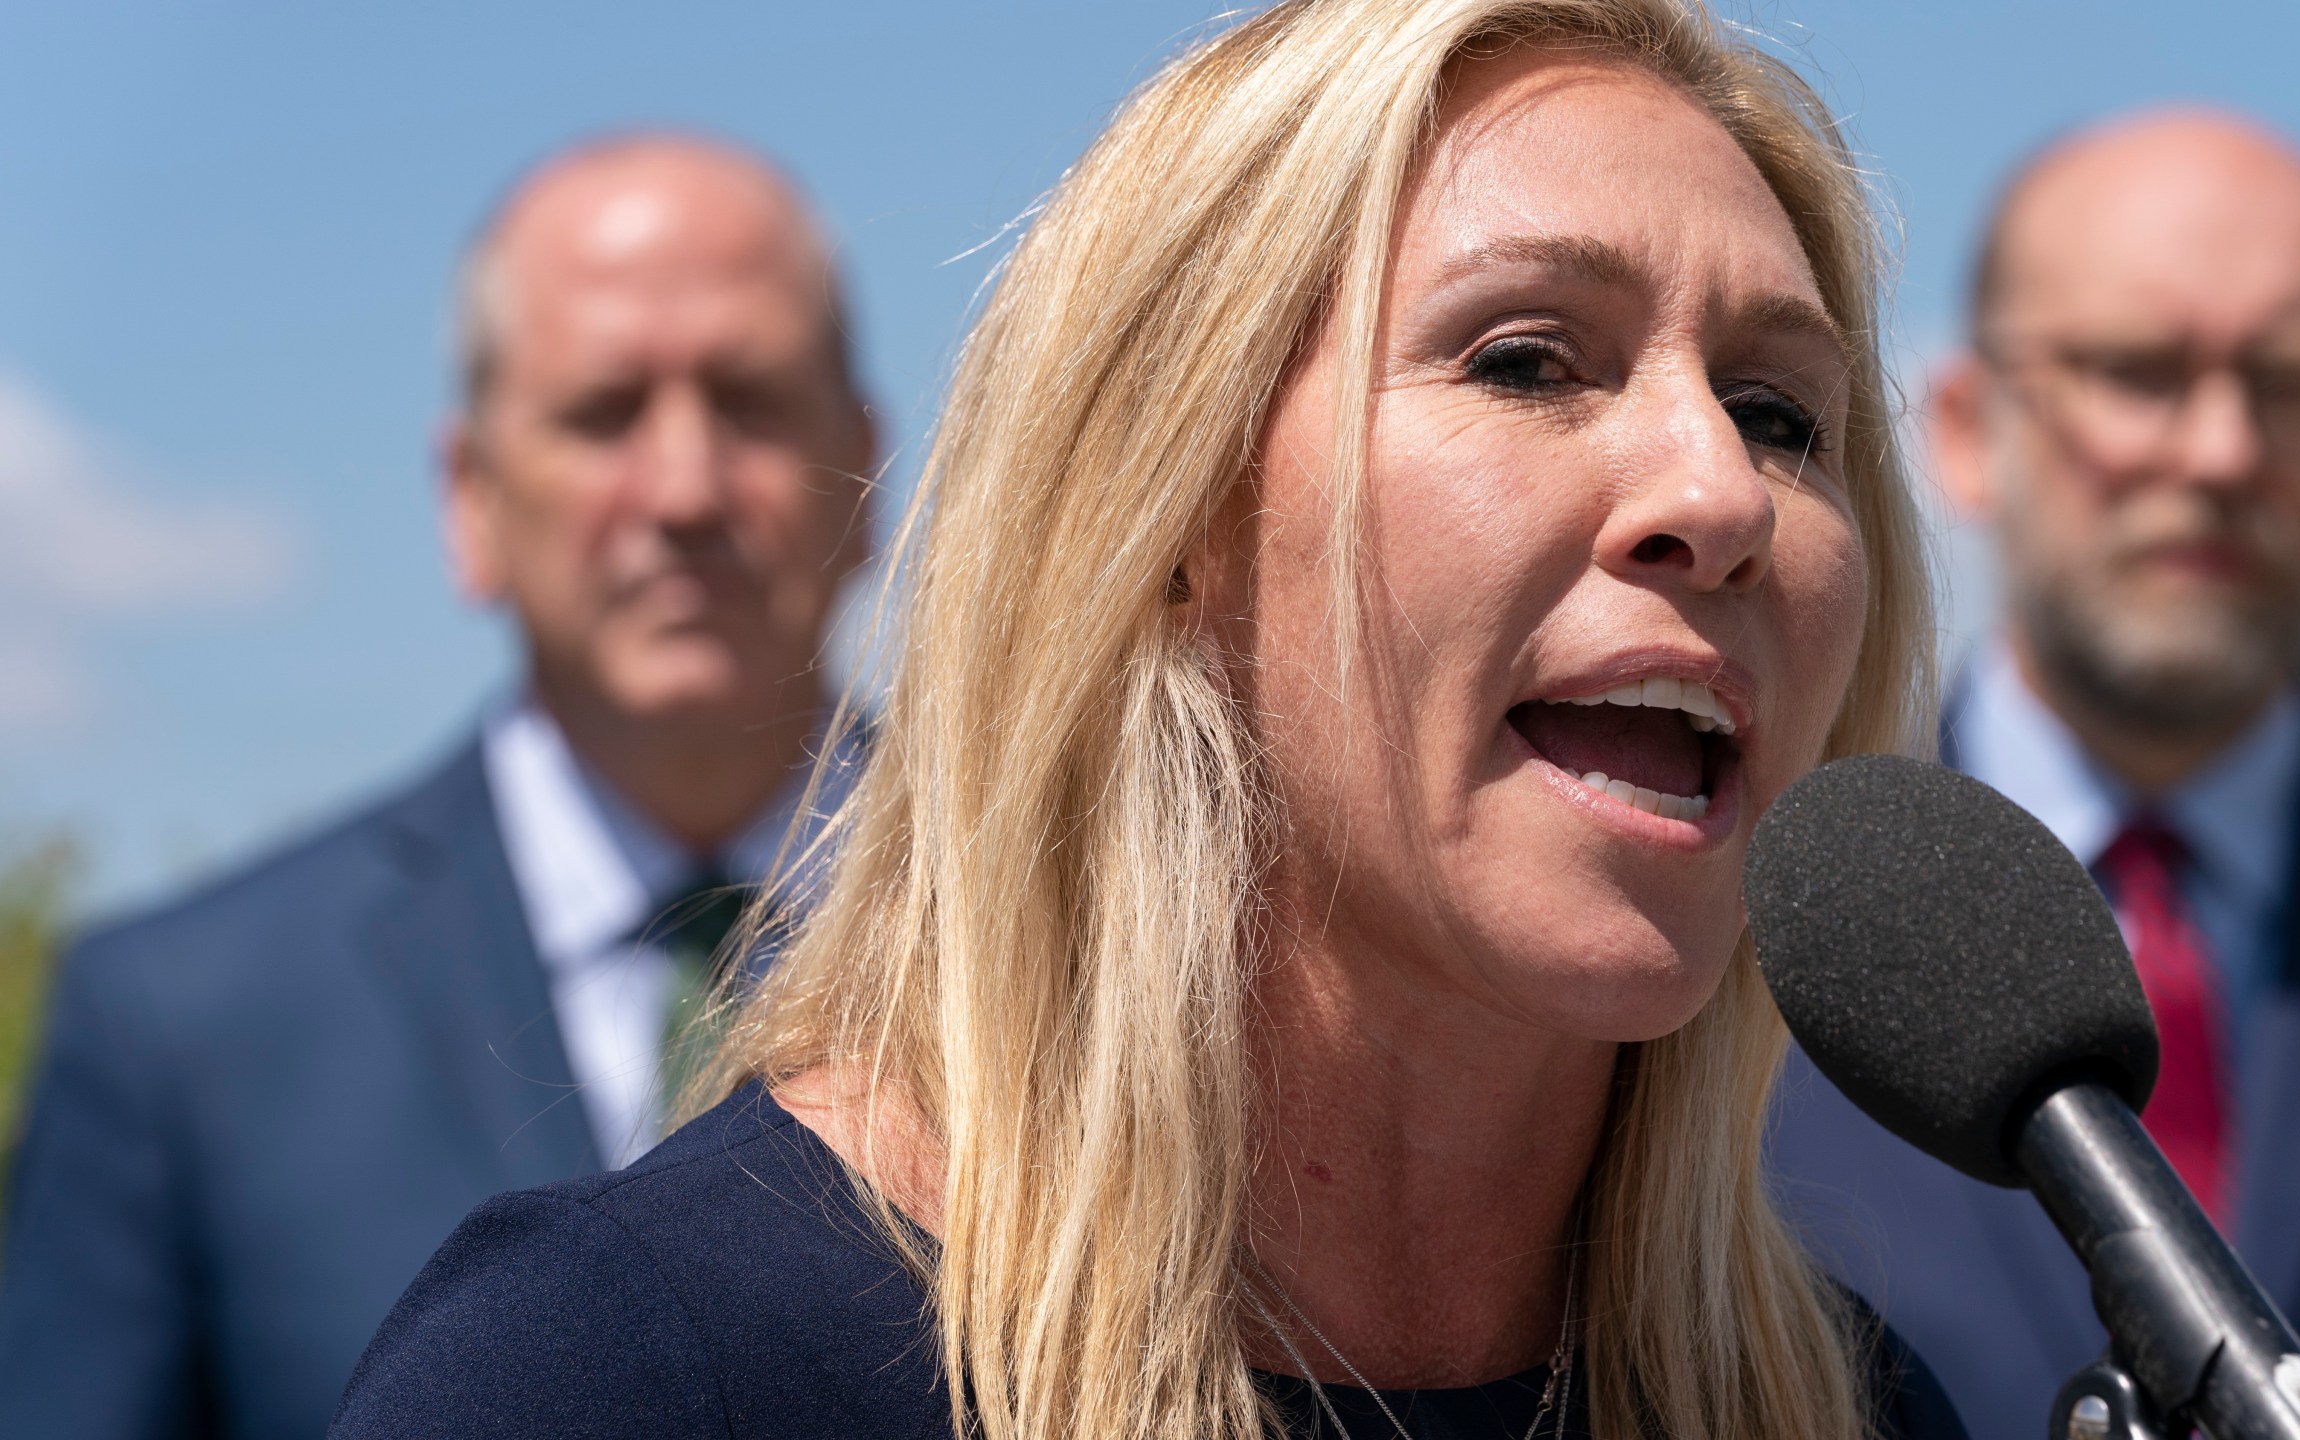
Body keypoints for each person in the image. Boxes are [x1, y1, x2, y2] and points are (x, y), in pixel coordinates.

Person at [329, 2, 1968, 1437]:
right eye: (1531, 360)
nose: (1716, 489)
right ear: (1169, 508)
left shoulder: (1846, 1405)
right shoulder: (620, 1374)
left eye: (1779, 414)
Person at [0, 135, 877, 1439]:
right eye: (602, 413)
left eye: (749, 401)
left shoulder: (1101, 944)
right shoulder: (182, 1033)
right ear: (470, 498)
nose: (684, 487)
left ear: (866, 470)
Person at [1765, 108, 2300, 1439]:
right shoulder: (1735, 945)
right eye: (2139, 371)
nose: (2217, 452)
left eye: (2287, 381)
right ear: (1964, 426)